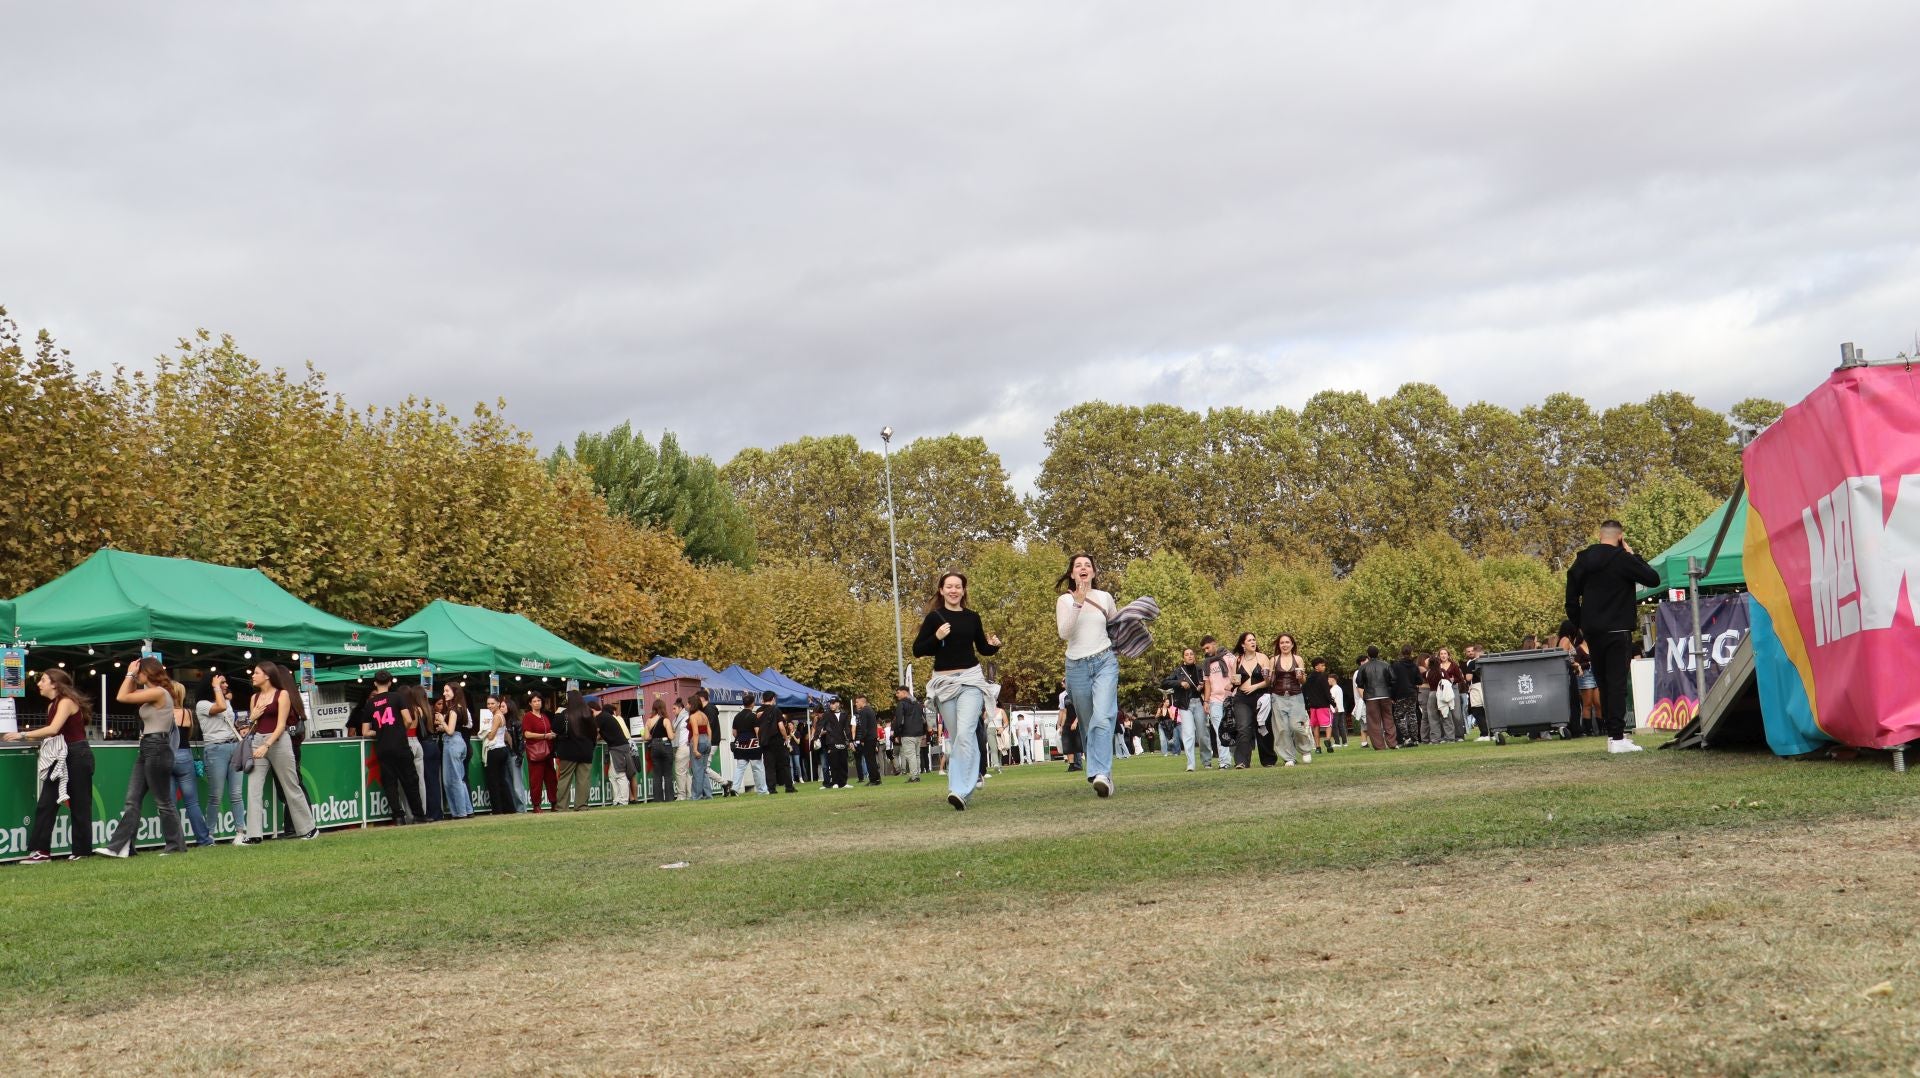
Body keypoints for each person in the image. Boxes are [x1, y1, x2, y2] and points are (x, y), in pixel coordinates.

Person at [1566, 520, 1659, 755]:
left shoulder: (1583, 560)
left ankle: (1612, 735)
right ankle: (1618, 737)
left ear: (1600, 535)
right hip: (1618, 629)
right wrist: (1632, 554)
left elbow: (1570, 600)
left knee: (1604, 683)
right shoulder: (1623, 559)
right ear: (1620, 537)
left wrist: (1581, 626)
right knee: (1617, 683)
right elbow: (1652, 578)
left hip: (1593, 632)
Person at [918, 570, 1003, 810]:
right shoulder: (935, 618)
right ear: (941, 590)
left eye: (958, 586)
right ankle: (969, 777)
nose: (954, 590)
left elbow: (982, 648)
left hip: (971, 680)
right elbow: (918, 649)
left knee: (966, 733)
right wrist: (936, 636)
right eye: (949, 586)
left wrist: (994, 646)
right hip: (944, 684)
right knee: (957, 739)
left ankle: (959, 790)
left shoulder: (972, 617)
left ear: (963, 590)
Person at [98, 658, 191, 857]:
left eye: (139, 672)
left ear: (146, 673)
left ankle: (176, 846)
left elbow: (122, 696)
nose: (136, 675)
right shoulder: (152, 692)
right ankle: (121, 847)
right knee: (132, 800)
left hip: (157, 746)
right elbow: (128, 693)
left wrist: (129, 673)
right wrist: (132, 674)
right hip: (148, 746)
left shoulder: (159, 692)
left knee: (163, 801)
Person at [5, 669, 96, 861]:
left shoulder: (66, 702)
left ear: (55, 684)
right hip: (60, 756)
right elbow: (52, 733)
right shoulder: (52, 706)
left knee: (80, 804)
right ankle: (41, 851)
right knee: (46, 803)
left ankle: (82, 852)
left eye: (43, 680)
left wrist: (22, 734)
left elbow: (53, 729)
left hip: (77, 754)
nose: (39, 684)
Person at [1055, 554, 1119, 797]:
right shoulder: (1064, 600)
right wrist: (1078, 603)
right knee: (1088, 721)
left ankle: (1101, 773)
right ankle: (1102, 773)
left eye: (1088, 565)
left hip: (1104, 661)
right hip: (1076, 666)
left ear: (1093, 572)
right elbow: (1064, 632)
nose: (1083, 568)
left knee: (1103, 717)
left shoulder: (1105, 597)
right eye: (1078, 566)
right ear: (1072, 574)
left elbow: (1115, 627)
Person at [239, 661, 318, 844]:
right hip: (258, 740)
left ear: (267, 675)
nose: (253, 675)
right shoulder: (254, 698)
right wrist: (252, 718)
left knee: (291, 785)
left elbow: (281, 725)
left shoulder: (282, 694)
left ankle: (309, 829)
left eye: (256, 672)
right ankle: (254, 834)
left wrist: (266, 745)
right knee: (253, 788)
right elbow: (253, 725)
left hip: (278, 741)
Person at [358, 671, 423, 825]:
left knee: (390, 783)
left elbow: (365, 732)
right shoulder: (397, 697)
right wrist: (399, 729)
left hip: (383, 747)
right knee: (410, 780)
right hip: (400, 745)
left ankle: (398, 816)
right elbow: (408, 720)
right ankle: (418, 815)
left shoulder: (369, 704)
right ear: (390, 682)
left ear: (375, 683)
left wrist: (381, 731)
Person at [194, 674, 246, 842]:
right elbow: (220, 707)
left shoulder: (226, 701)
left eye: (224, 682)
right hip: (215, 749)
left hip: (234, 746)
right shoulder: (202, 705)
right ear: (211, 685)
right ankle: (209, 835)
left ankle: (240, 833)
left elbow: (228, 719)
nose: (225, 685)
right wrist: (218, 688)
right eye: (221, 682)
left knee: (237, 794)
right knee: (215, 795)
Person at [166, 681, 214, 846]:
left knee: (170, 805)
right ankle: (204, 839)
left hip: (167, 757)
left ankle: (176, 842)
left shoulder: (162, 713)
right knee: (192, 803)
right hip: (185, 756)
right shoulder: (187, 713)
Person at [1269, 633, 1315, 766]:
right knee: (1282, 729)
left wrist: (1300, 677)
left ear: (1292, 644)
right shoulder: (1274, 660)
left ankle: (1305, 750)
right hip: (1278, 697)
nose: (1284, 645)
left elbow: (1303, 680)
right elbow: (1270, 681)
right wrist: (1267, 677)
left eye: (1287, 642)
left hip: (1296, 696)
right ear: (1279, 645)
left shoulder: (1298, 659)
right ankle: (1289, 757)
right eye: (1282, 643)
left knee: (1296, 726)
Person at [1225, 633, 1268, 769]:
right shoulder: (1237, 661)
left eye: (1254, 640)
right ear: (1243, 645)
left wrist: (1254, 686)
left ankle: (1268, 760)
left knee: (1263, 728)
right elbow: (1236, 681)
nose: (1253, 642)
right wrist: (1231, 684)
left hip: (1260, 696)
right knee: (1243, 728)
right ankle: (1242, 762)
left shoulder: (1263, 658)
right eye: (1249, 640)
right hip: (1242, 698)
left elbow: (1268, 681)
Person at [438, 682, 475, 820]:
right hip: (459, 743)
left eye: (447, 690)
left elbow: (450, 731)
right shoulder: (461, 708)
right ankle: (467, 810)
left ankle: (460, 812)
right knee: (459, 778)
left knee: (452, 780)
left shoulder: (453, 710)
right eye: (444, 690)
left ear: (455, 692)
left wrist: (442, 721)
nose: (444, 693)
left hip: (452, 743)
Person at [522, 692, 559, 811]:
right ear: (530, 703)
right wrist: (544, 736)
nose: (537, 703)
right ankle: (536, 805)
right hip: (535, 752)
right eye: (534, 701)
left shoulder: (545, 716)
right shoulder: (528, 716)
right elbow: (527, 733)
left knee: (551, 779)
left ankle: (554, 802)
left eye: (539, 701)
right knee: (536, 780)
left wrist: (551, 735)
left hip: (548, 751)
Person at [1201, 636, 1235, 770]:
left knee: (1233, 730)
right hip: (1215, 701)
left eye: (1207, 647)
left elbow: (1237, 673)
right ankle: (1224, 762)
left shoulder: (1229, 657)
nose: (1206, 651)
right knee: (1219, 731)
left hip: (1230, 698)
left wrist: (1232, 685)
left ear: (1214, 644)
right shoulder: (1206, 663)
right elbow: (1207, 684)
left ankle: (1238, 758)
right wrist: (1206, 701)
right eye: (1204, 649)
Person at [482, 695, 518, 815]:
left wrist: (484, 729)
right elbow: (506, 736)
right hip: (502, 749)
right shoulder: (500, 716)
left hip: (495, 750)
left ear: (498, 703)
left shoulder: (497, 717)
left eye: (492, 703)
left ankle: (497, 809)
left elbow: (491, 736)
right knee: (502, 781)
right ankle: (509, 808)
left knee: (494, 782)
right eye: (488, 704)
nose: (490, 706)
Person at [1356, 646, 1398, 751]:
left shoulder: (1363, 667)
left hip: (1371, 696)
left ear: (1368, 655)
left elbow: (1359, 682)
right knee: (1388, 719)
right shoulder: (1386, 665)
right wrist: (1391, 693)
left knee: (1374, 722)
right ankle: (1392, 743)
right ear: (1378, 653)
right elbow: (1393, 680)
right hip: (1385, 695)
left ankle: (1379, 746)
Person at [598, 697, 639, 805]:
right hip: (626, 746)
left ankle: (624, 800)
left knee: (620, 774)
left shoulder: (609, 718)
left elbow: (599, 734)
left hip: (617, 748)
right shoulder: (615, 718)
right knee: (619, 774)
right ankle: (625, 799)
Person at [413, 686, 443, 822]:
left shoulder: (418, 710)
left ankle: (432, 813)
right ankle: (437, 812)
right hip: (433, 746)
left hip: (424, 745)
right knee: (434, 782)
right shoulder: (430, 709)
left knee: (427, 782)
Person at [757, 692, 797, 794]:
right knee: (784, 765)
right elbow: (781, 726)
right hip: (777, 741)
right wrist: (786, 738)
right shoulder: (776, 710)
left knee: (769, 767)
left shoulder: (758, 711)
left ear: (763, 699)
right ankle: (789, 787)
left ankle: (771, 789)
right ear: (773, 699)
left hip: (765, 742)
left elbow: (757, 728)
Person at [729, 700, 765, 795]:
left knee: (740, 768)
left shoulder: (737, 716)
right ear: (752, 704)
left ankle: (735, 788)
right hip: (753, 745)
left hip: (740, 746)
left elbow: (734, 733)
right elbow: (757, 731)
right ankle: (762, 790)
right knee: (757, 768)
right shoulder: (753, 716)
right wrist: (761, 742)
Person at [644, 698, 676, 803]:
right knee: (667, 774)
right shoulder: (665, 720)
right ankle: (669, 798)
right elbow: (671, 736)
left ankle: (658, 799)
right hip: (665, 745)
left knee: (657, 774)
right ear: (663, 708)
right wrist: (674, 733)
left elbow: (646, 737)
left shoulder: (649, 721)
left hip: (654, 746)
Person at [1389, 647, 1422, 747]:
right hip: (1412, 693)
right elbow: (1419, 681)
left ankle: (1407, 738)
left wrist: (1392, 696)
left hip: (1400, 693)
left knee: (1399, 716)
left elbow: (1393, 681)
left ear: (1401, 653)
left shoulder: (1396, 665)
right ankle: (1415, 738)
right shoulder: (1414, 666)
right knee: (1412, 715)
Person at [814, 695, 849, 789]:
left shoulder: (844, 714)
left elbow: (847, 728)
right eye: (830, 703)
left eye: (833, 703)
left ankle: (843, 783)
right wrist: (816, 737)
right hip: (831, 742)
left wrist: (851, 741)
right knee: (834, 763)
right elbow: (820, 726)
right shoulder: (827, 714)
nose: (831, 705)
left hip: (842, 741)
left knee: (843, 762)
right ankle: (835, 782)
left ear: (838, 704)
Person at [892, 686, 927, 782]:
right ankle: (917, 774)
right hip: (918, 733)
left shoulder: (901, 704)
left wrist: (897, 734)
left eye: (898, 692)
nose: (897, 695)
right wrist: (923, 732)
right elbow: (923, 720)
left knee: (911, 755)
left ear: (904, 692)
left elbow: (899, 720)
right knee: (916, 755)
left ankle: (914, 776)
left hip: (907, 733)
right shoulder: (918, 704)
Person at [1305, 657, 1338, 756]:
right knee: (1328, 724)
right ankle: (1328, 740)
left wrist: (1307, 704)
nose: (1324, 667)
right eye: (1322, 665)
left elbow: (1306, 691)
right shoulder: (1323, 677)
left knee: (1316, 726)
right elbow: (1326, 692)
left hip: (1313, 706)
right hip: (1323, 705)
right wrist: (1334, 704)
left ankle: (1318, 747)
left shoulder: (1309, 678)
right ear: (1316, 666)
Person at [688, 690, 717, 800]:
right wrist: (708, 742)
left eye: (688, 703)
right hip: (706, 740)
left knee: (696, 770)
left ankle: (696, 795)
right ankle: (708, 794)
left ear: (692, 704)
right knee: (704, 769)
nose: (687, 705)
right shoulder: (704, 715)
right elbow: (709, 730)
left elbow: (695, 733)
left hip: (698, 740)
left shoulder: (693, 716)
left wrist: (695, 749)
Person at [851, 694, 883, 787]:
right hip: (873, 737)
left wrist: (862, 739)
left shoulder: (863, 712)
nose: (856, 704)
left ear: (862, 701)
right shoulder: (871, 710)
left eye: (857, 702)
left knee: (869, 760)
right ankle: (877, 778)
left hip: (868, 738)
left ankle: (873, 780)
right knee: (872, 759)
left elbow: (864, 727)